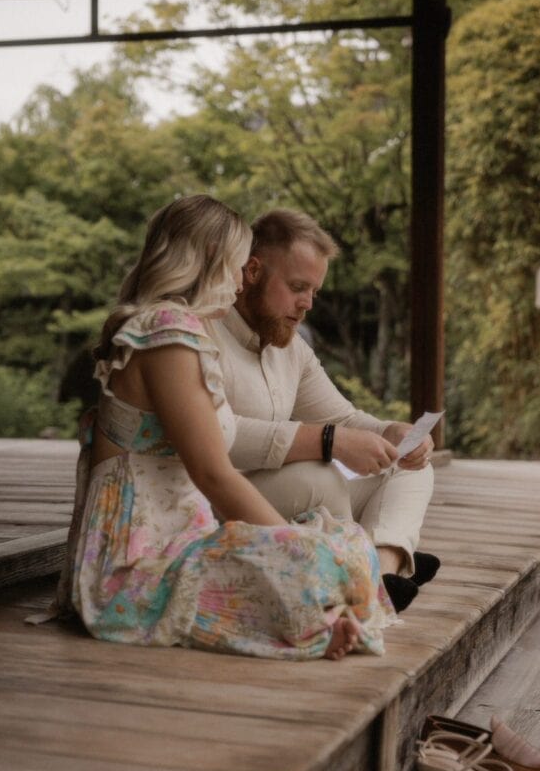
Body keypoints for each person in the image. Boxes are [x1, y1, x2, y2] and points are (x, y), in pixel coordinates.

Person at [53, 195, 395, 660]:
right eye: (237, 266)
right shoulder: (164, 333)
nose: (240, 283)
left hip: (183, 532)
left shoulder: (180, 332)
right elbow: (213, 474)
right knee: (316, 557)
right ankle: (312, 621)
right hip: (138, 557)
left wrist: (297, 547)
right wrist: (292, 547)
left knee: (345, 546)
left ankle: (315, 616)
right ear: (208, 263)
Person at [207, 209, 437, 613]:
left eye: (314, 290)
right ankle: (365, 576)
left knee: (410, 467)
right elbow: (215, 437)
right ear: (253, 271)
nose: (307, 304)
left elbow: (342, 419)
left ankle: (381, 573)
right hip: (222, 501)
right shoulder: (206, 333)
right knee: (319, 475)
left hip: (282, 496)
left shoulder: (290, 346)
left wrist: (391, 432)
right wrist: (329, 441)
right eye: (298, 286)